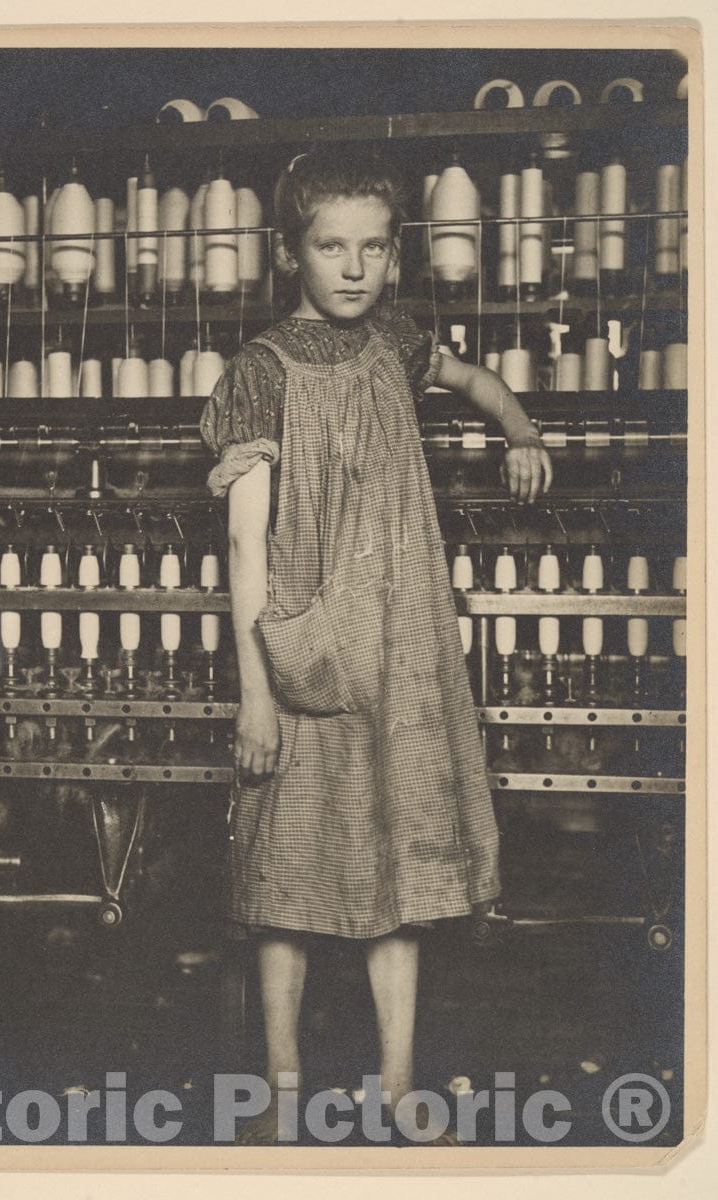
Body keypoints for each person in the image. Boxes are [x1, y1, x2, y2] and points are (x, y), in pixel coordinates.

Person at [199, 148, 552, 1145]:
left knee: (397, 869)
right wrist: (255, 693)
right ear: (287, 254)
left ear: (395, 256)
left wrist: (521, 432)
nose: (351, 267)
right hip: (305, 652)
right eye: (328, 247)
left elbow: (476, 377)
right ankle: (280, 1083)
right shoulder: (259, 374)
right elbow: (242, 542)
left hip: (398, 647)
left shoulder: (397, 340)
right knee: (288, 875)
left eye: (370, 247)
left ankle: (397, 1086)